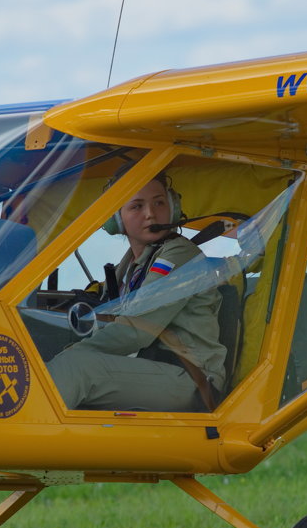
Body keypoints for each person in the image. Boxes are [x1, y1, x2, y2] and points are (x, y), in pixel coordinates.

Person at [46, 173, 227, 411]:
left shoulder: (180, 255)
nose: (151, 213)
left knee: (72, 368)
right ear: (116, 218)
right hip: (156, 369)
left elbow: (136, 330)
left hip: (192, 378)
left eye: (159, 203)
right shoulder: (132, 264)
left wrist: (66, 355)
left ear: (173, 208)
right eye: (137, 206)